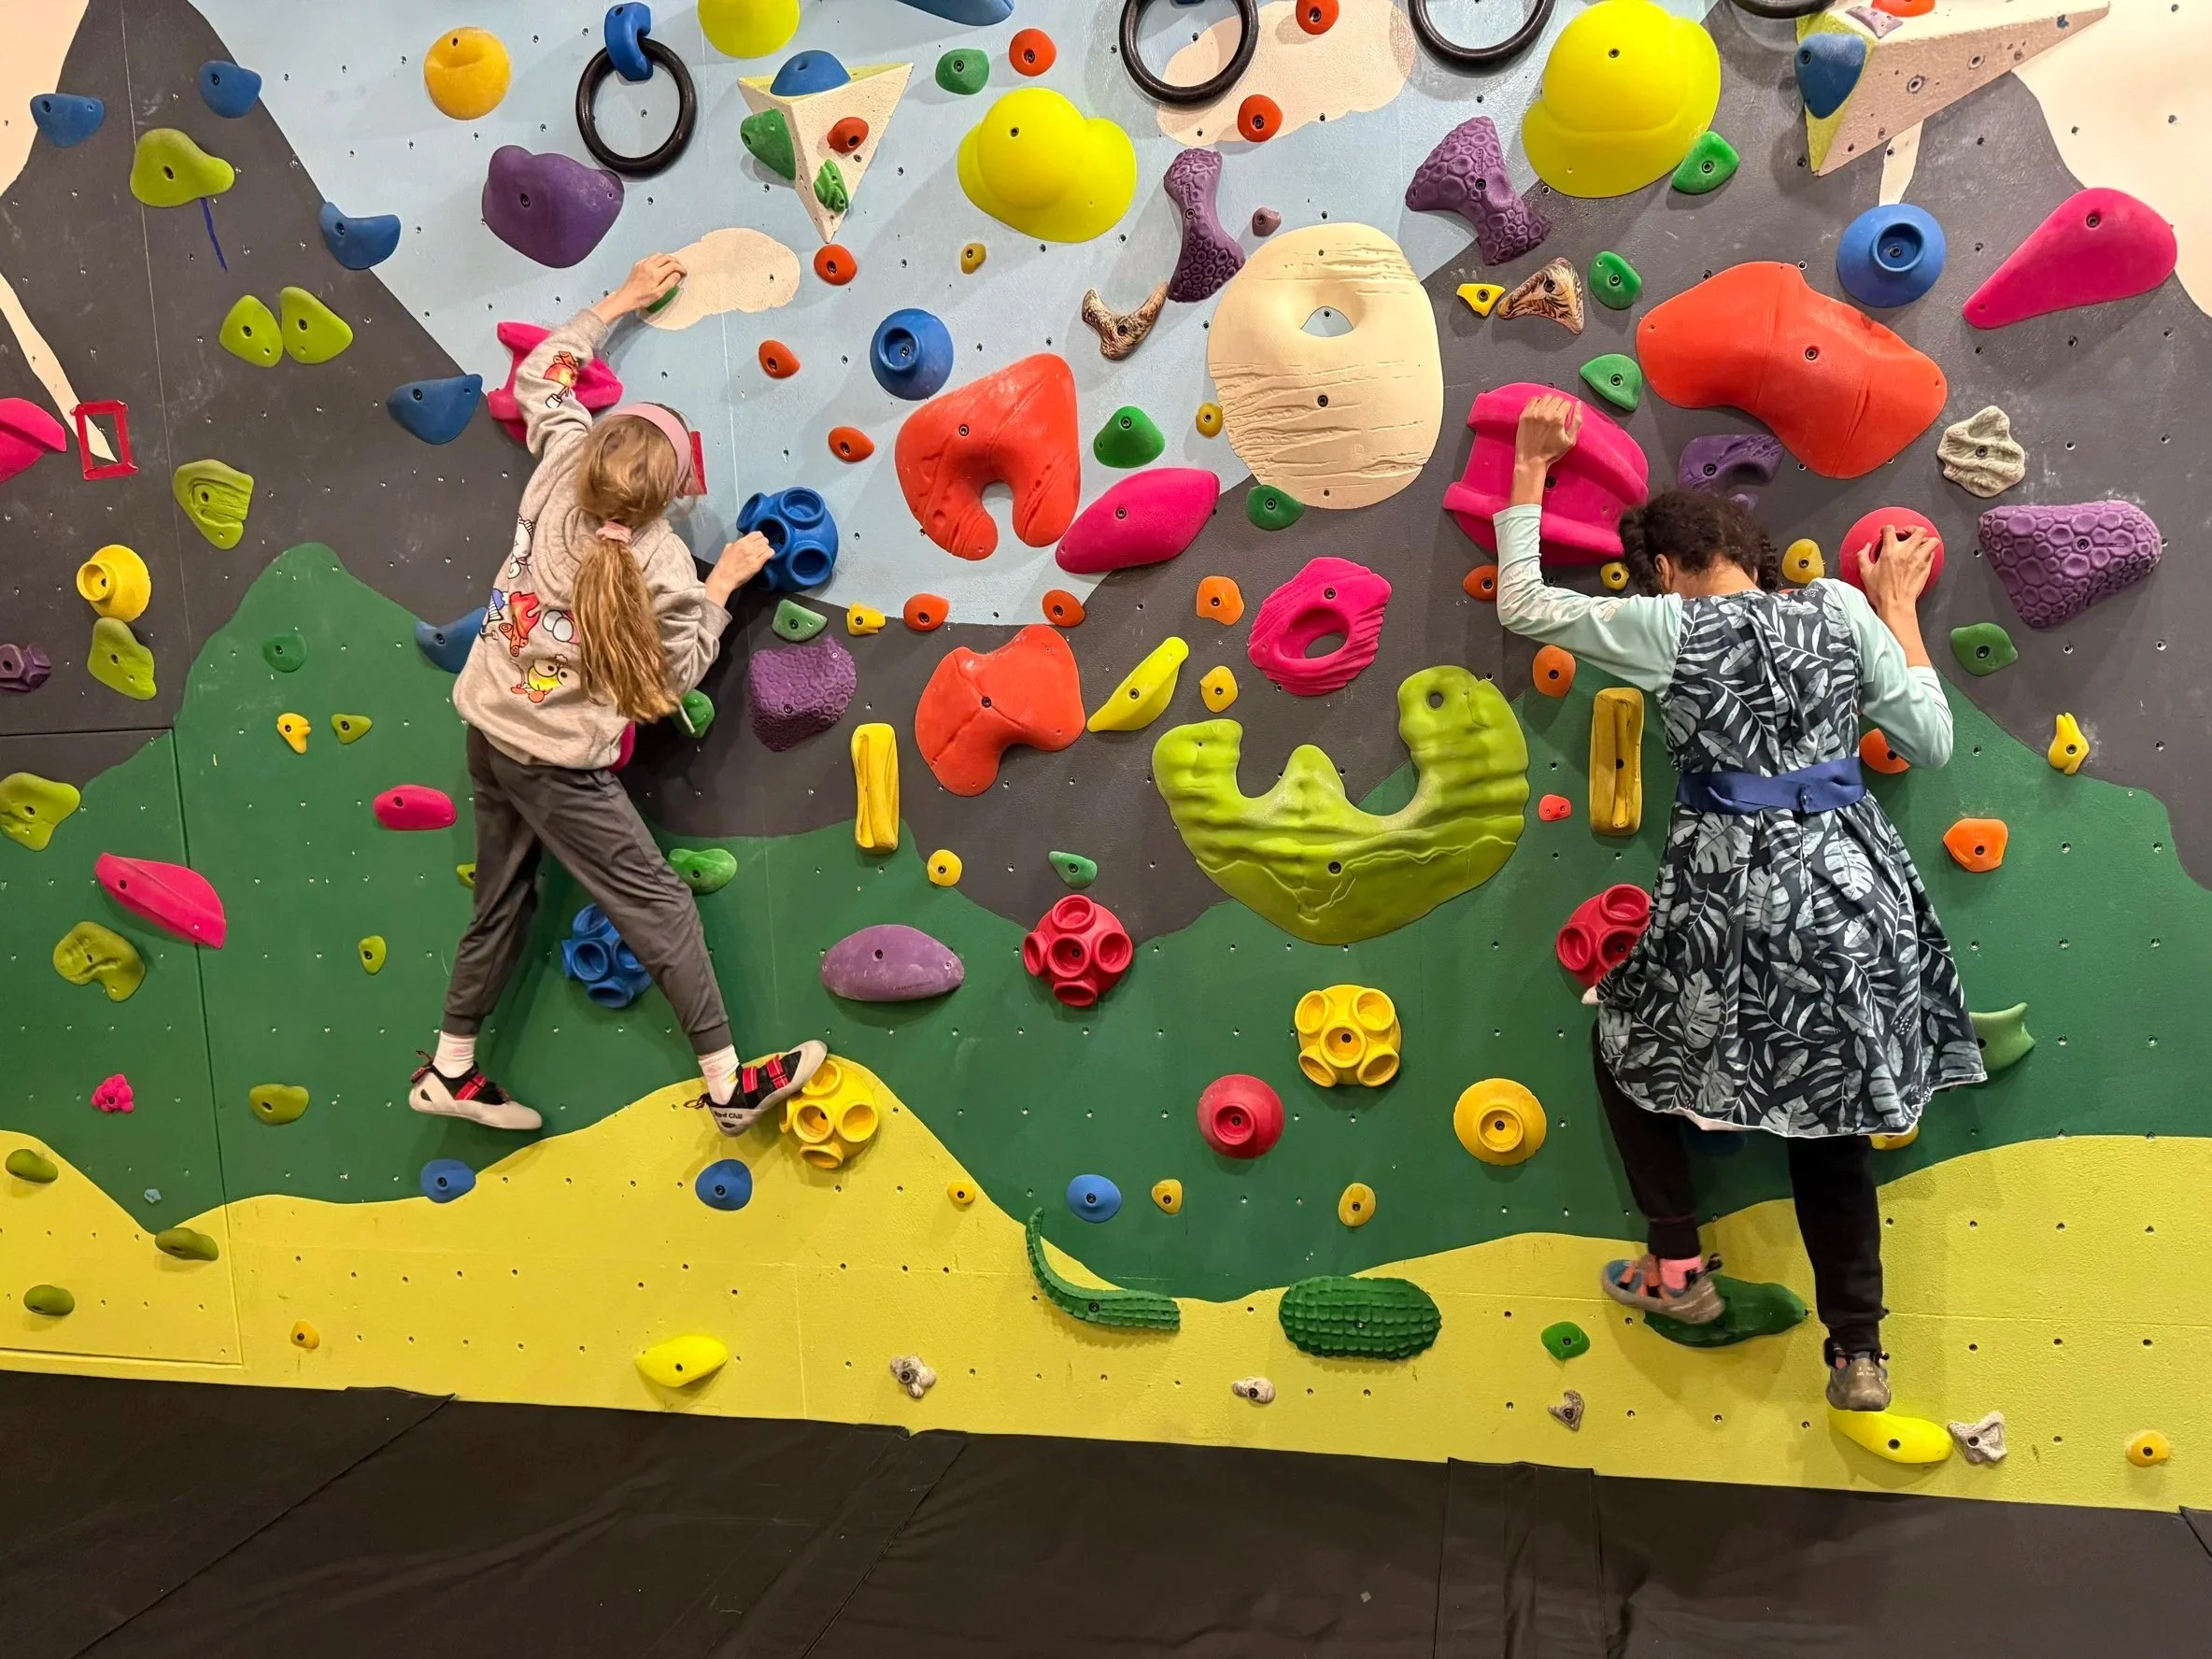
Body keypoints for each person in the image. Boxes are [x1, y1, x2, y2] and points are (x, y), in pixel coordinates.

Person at [1492, 392, 1984, 1411]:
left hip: (1731, 901)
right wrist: (1896, 610)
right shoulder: (1836, 609)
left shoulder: (1667, 625)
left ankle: (1676, 1265)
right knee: (1829, 1124)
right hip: (1852, 895)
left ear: (1668, 568)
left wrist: (1531, 467)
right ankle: (1858, 1352)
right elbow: (1931, 744)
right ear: (1747, 553)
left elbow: (1524, 605)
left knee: (1623, 1037)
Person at [408, 253, 826, 1138]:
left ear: (599, 450)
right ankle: (727, 1087)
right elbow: (668, 682)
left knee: (503, 900)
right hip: (555, 764)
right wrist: (726, 585)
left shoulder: (561, 460)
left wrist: (622, 300)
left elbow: (542, 372)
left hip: (489, 727)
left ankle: (450, 1068)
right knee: (659, 903)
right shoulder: (663, 562)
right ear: (671, 494)